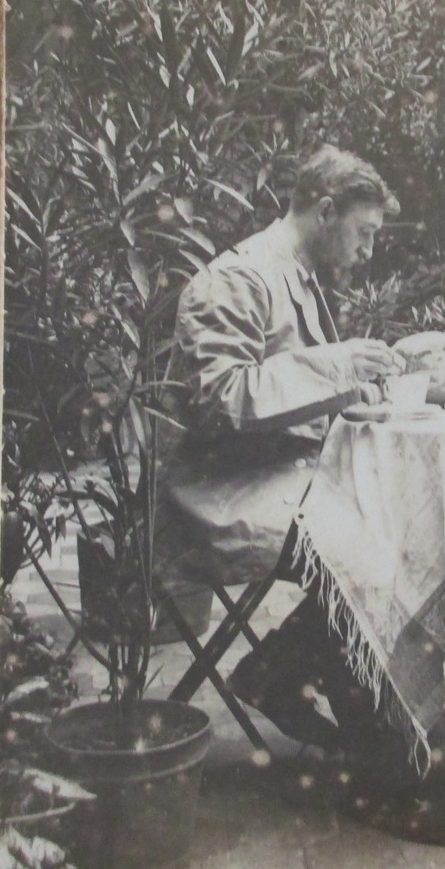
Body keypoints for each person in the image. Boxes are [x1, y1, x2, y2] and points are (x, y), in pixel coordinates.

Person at [161, 144, 401, 746]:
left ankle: (282, 671)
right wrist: (338, 369)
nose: (367, 252)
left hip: (272, 474)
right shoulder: (238, 278)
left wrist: (353, 392)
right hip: (217, 492)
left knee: (404, 521)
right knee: (372, 545)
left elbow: (293, 392)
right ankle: (366, 730)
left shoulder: (295, 273)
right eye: (363, 233)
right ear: (324, 211)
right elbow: (219, 400)